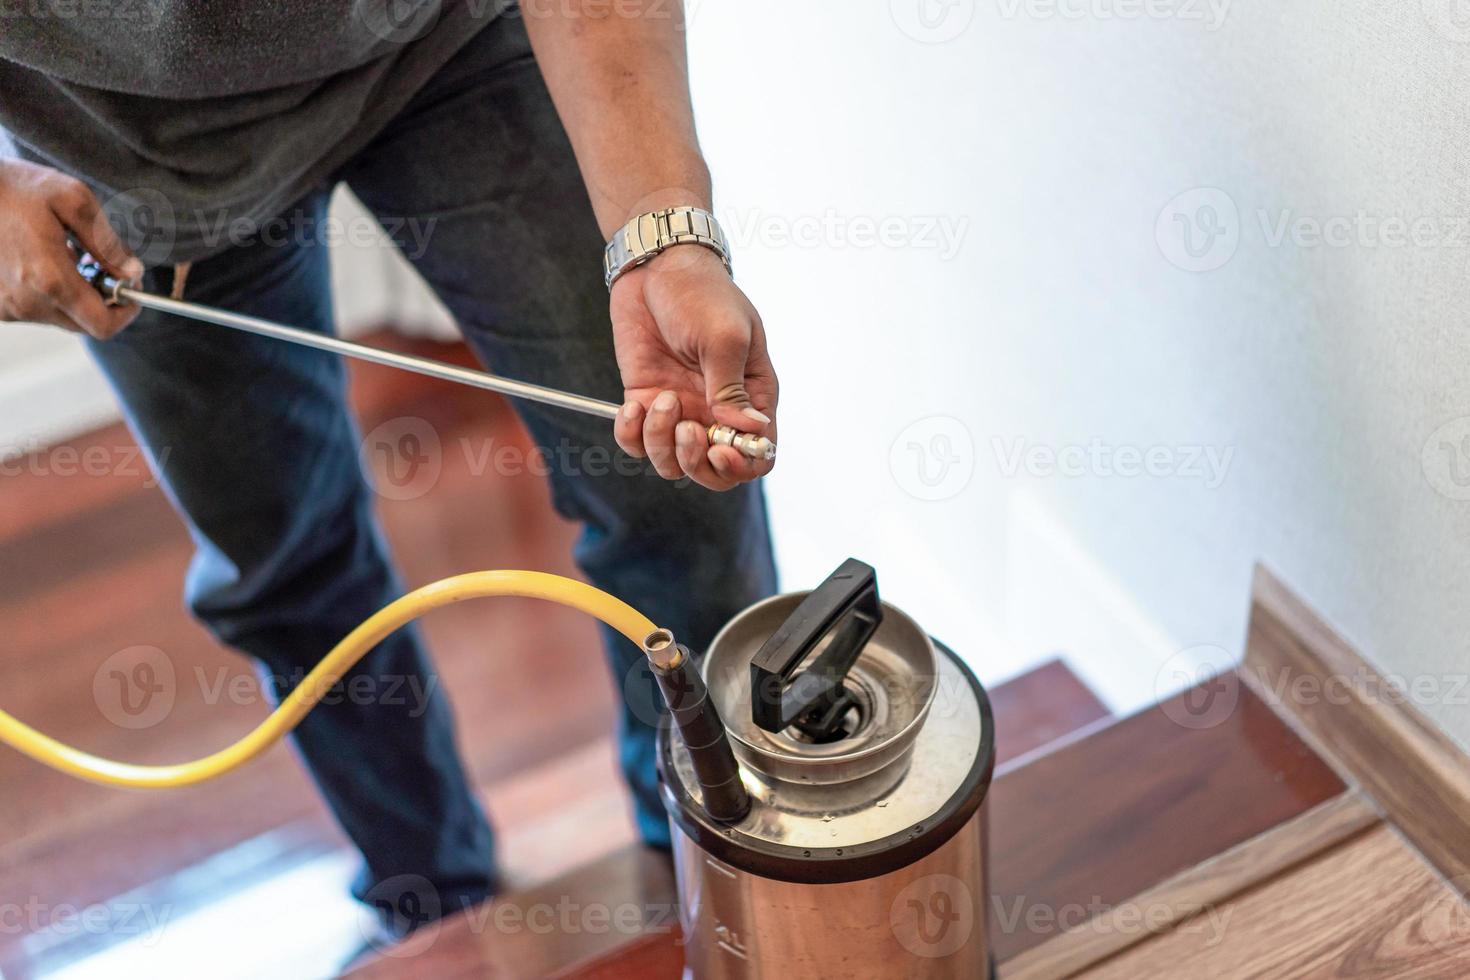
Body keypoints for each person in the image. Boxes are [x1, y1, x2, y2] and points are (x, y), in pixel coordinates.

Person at [0, 1, 778, 934]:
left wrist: (666, 238)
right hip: (118, 147)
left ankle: (723, 880)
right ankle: (434, 911)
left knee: (670, 482)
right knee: (287, 573)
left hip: (440, 45)